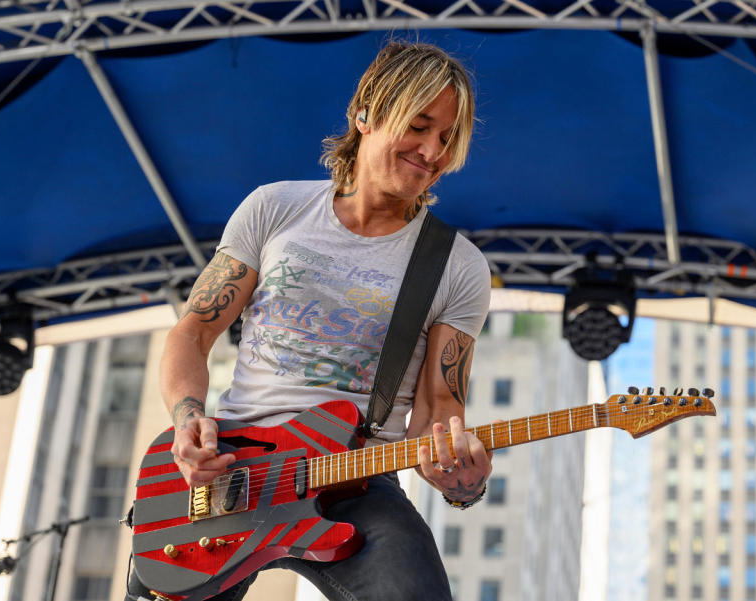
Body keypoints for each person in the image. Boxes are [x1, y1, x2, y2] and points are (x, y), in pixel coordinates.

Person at [130, 39, 493, 601]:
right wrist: (187, 420)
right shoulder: (275, 208)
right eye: (419, 125)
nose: (433, 150)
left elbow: (440, 412)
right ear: (366, 112)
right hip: (230, 466)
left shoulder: (458, 265)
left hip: (358, 479)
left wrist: (461, 482)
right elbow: (193, 332)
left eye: (447, 137)